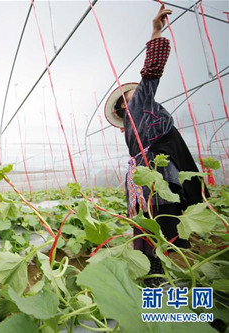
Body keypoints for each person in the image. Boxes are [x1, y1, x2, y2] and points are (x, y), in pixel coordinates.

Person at [104, 5, 207, 287]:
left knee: (153, 221)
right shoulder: (138, 104)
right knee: (166, 222)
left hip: (149, 176)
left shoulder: (132, 120)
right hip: (157, 173)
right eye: (134, 91)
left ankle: (156, 273)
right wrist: (156, 31)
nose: (140, 89)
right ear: (125, 102)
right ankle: (167, 278)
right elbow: (152, 70)